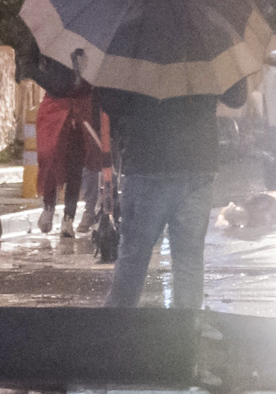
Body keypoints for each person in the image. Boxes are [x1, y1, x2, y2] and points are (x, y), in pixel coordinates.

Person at [98, 68, 251, 310]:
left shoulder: (136, 49)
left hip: (146, 161)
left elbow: (110, 101)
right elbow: (236, 97)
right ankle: (185, 330)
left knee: (133, 257)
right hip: (196, 164)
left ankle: (116, 327)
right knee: (188, 259)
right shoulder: (207, 48)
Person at [27, 52, 92, 236]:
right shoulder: (53, 50)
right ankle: (48, 207)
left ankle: (68, 219)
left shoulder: (89, 53)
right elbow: (39, 71)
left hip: (80, 112)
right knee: (49, 159)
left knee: (75, 166)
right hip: (54, 110)